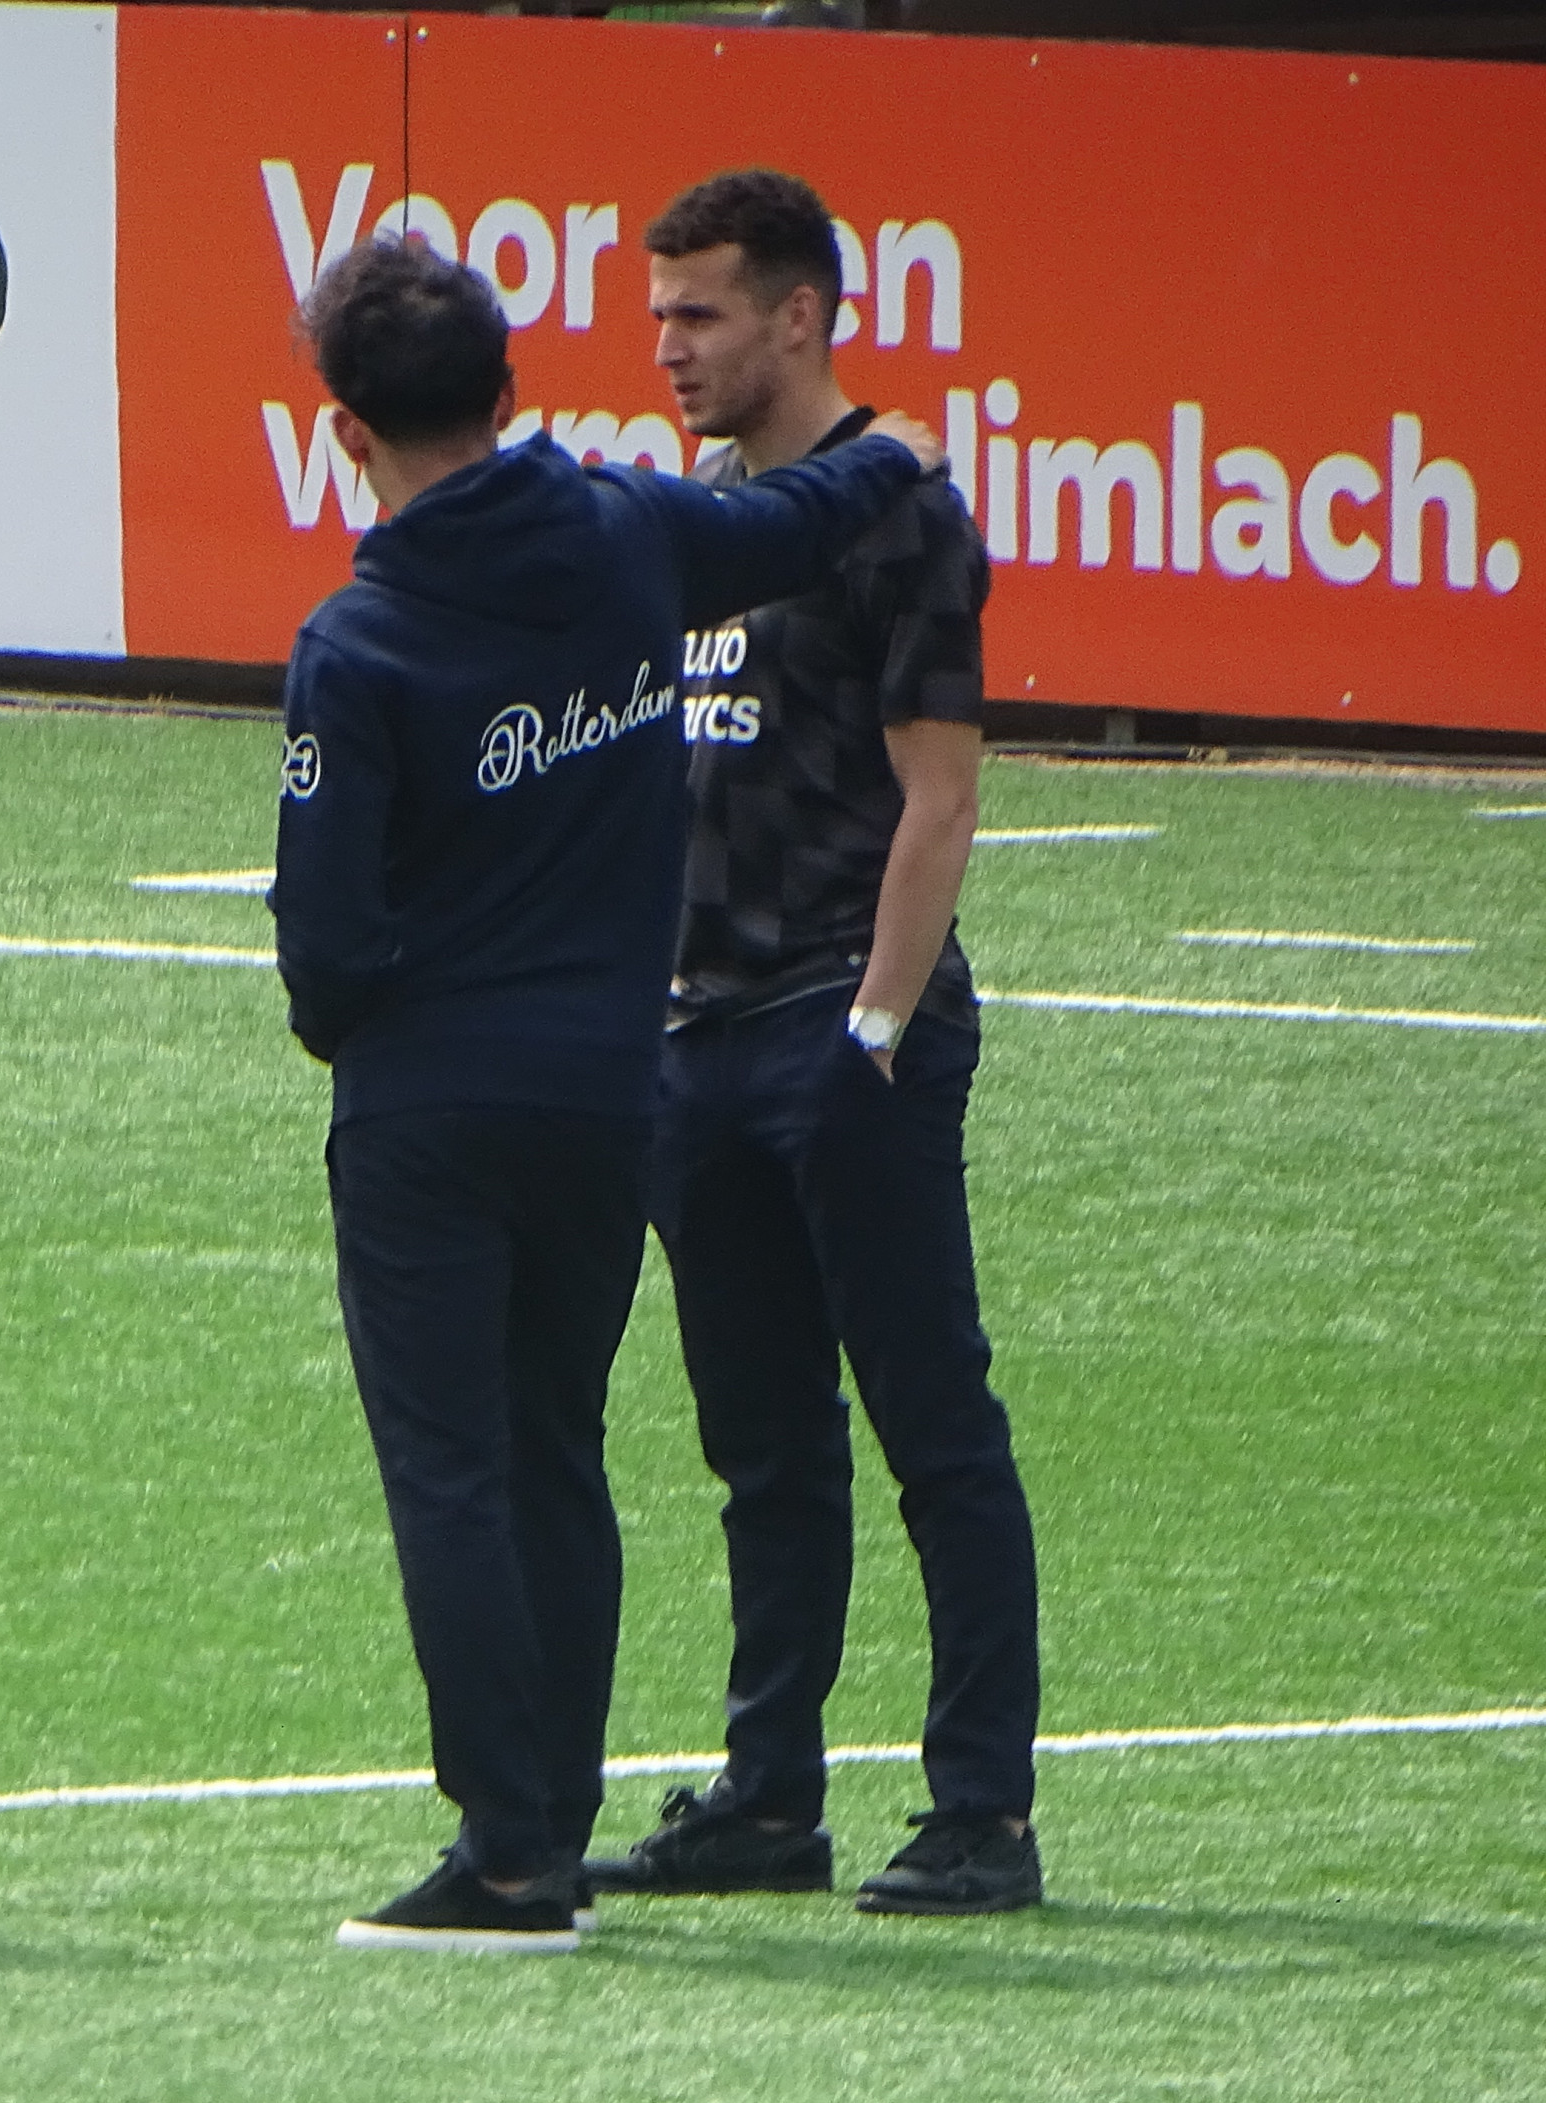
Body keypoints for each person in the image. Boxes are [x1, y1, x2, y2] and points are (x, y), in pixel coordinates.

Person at [270, 238, 943, 1953]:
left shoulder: (358, 639)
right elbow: (809, 516)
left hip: (430, 1105)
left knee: (452, 1470)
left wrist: (388, 1016)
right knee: (552, 1453)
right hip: (607, 1092)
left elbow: (325, 956)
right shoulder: (630, 532)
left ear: (343, 424)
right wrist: (896, 448)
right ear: (508, 393)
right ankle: (545, 1829)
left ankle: (506, 1860)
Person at [580, 174, 1044, 1921]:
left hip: (847, 1036)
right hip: (694, 1045)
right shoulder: (704, 509)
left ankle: (983, 1809)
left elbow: (944, 797)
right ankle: (772, 1793)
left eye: (699, 314)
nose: (669, 349)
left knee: (934, 1424)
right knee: (761, 1444)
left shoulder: (902, 514)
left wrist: (875, 1030)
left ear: (800, 315)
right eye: (658, 316)